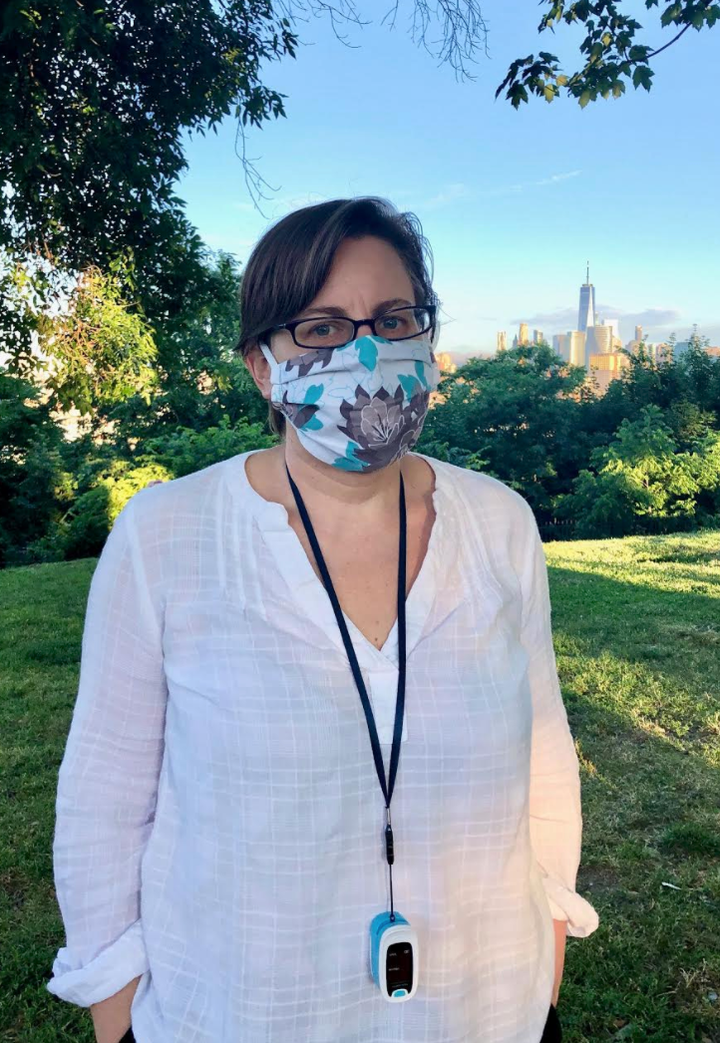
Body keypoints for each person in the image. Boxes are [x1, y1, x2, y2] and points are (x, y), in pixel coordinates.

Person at [46, 196, 599, 1043]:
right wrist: (117, 1015)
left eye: (392, 317)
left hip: (490, 1010)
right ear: (263, 365)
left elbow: (546, 754)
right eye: (319, 327)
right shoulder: (166, 536)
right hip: (237, 1014)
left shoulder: (499, 523)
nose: (364, 349)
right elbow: (102, 803)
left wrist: (550, 942)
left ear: (427, 338)